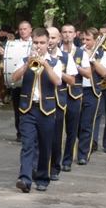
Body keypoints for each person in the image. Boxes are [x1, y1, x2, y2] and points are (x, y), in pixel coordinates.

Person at [13, 28, 62, 192]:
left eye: (42, 43)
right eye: (35, 43)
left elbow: (57, 82)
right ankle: (25, 179)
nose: (38, 46)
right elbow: (14, 78)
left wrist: (46, 65)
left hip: (46, 110)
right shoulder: (24, 60)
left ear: (48, 44)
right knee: (27, 145)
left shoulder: (55, 62)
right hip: (28, 109)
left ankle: (42, 179)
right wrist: (27, 64)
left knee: (45, 146)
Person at [75, 28, 106, 164]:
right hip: (76, 90)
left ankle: (83, 155)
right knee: (76, 124)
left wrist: (91, 58)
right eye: (83, 39)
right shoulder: (76, 52)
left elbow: (104, 73)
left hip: (91, 91)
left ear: (95, 40)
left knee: (87, 124)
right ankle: (83, 144)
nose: (84, 42)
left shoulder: (102, 54)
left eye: (88, 40)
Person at [59, 24, 82, 171]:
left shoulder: (81, 52)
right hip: (57, 94)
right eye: (64, 32)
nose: (67, 34)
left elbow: (87, 73)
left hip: (74, 94)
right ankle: (55, 159)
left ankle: (67, 161)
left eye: (70, 32)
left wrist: (74, 65)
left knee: (71, 130)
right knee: (56, 129)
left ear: (75, 35)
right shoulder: (55, 51)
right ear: (61, 35)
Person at [46, 26, 67, 180]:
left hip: (58, 101)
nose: (50, 41)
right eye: (48, 38)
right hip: (40, 101)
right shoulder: (34, 56)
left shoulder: (65, 57)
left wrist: (56, 71)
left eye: (53, 38)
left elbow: (72, 80)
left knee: (56, 137)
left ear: (59, 39)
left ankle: (54, 167)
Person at [11, 21, 34, 141]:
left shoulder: (35, 43)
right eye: (20, 29)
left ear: (30, 30)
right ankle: (20, 132)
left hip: (32, 81)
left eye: (25, 29)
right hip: (19, 81)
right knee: (18, 108)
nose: (22, 31)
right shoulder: (14, 44)